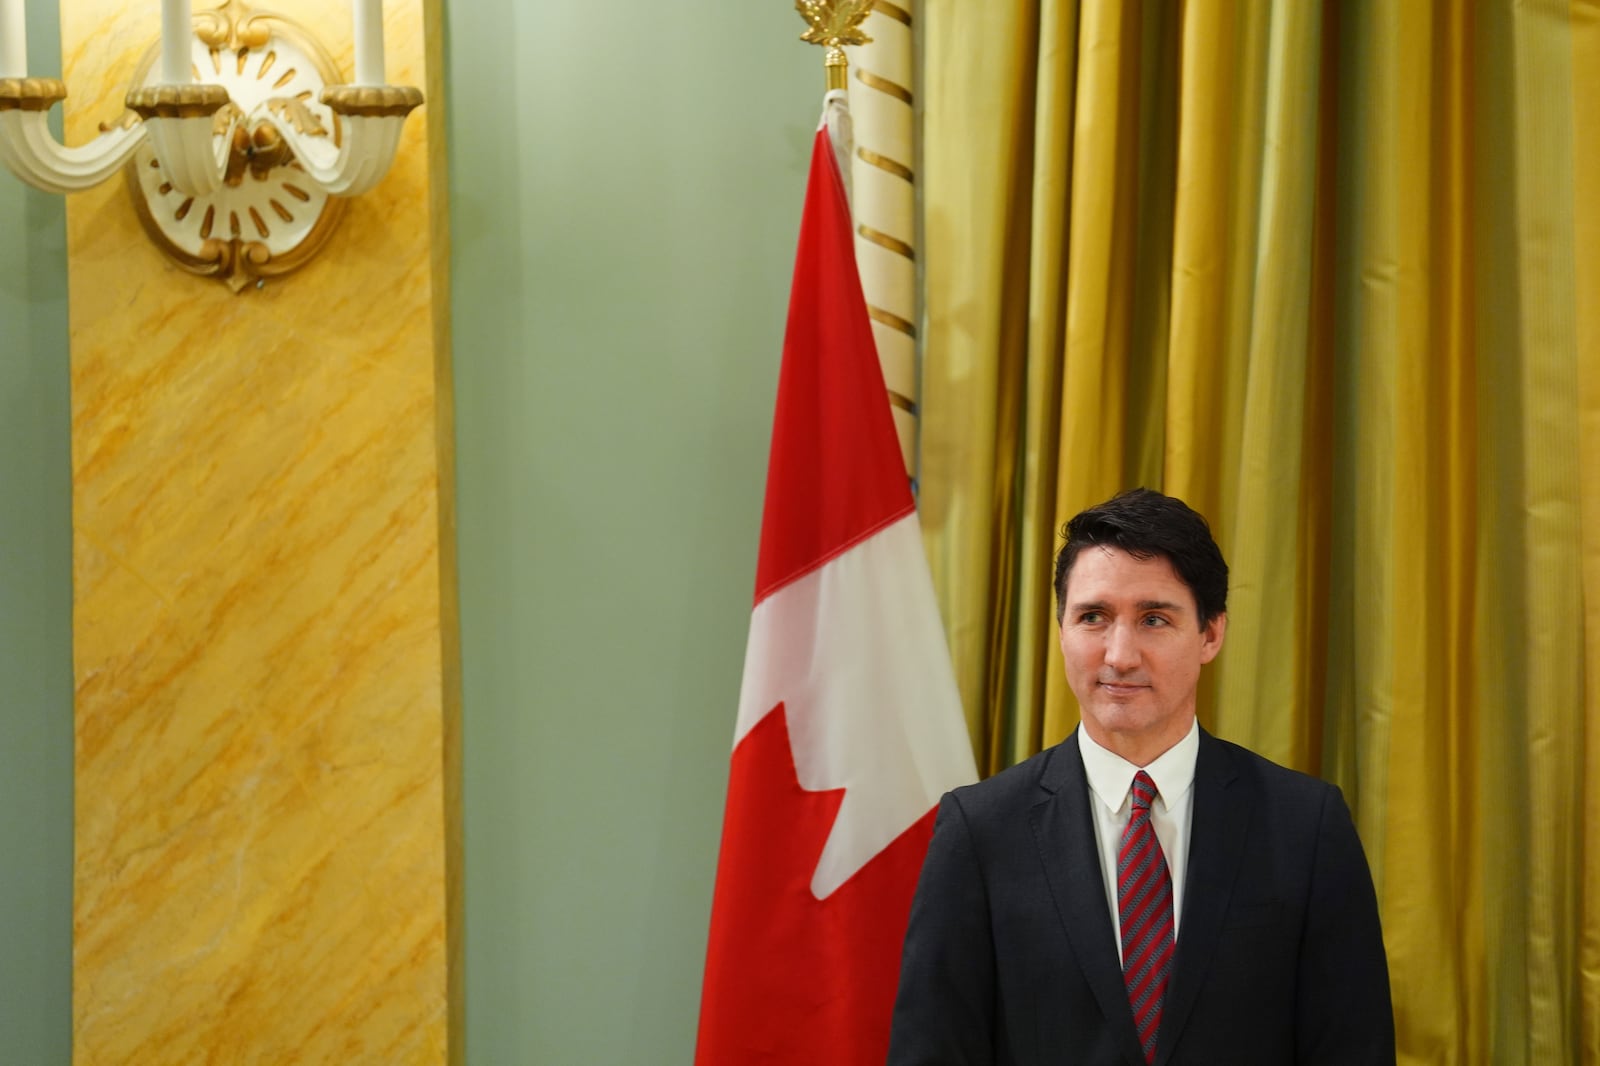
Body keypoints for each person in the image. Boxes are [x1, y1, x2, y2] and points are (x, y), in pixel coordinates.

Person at [887, 488, 1394, 1065]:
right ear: (1061, 630)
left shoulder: (1307, 826)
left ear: (1211, 635)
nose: (1119, 654)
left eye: (1154, 619)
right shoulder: (978, 831)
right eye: (1093, 617)